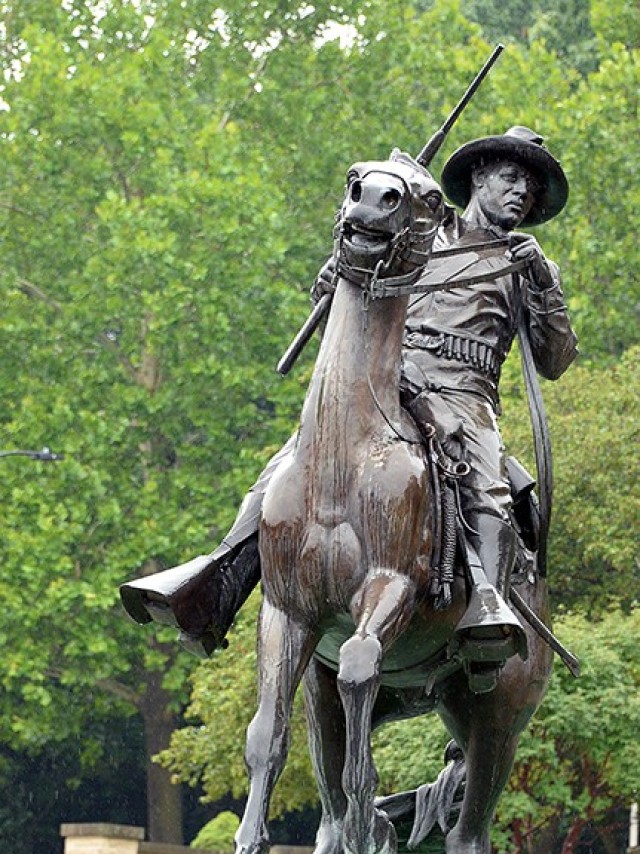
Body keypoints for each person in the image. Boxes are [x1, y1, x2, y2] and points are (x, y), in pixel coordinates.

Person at [120, 126, 578, 687]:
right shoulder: (422, 234)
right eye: (511, 179)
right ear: (479, 178)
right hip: (393, 378)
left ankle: (486, 604)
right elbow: (346, 298)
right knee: (292, 462)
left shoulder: (526, 264)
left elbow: (555, 358)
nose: (521, 195)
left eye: (530, 191)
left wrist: (542, 284)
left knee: (489, 484)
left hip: (465, 396)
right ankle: (219, 575)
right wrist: (335, 273)